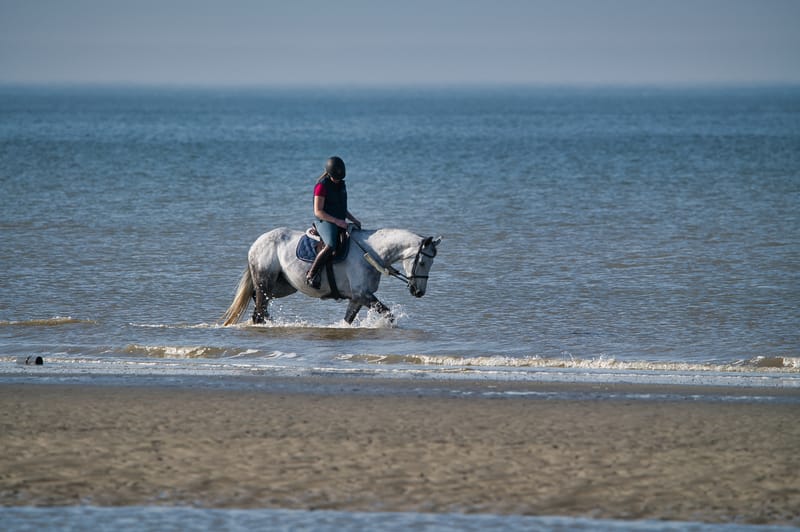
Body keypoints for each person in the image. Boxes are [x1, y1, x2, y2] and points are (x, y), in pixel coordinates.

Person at [306, 156, 361, 288]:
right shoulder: (321, 186)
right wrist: (337, 221)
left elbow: (342, 208)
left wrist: (354, 220)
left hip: (339, 220)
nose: (337, 180)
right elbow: (318, 211)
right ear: (329, 174)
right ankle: (311, 274)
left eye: (339, 178)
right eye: (335, 178)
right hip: (324, 221)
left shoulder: (341, 185)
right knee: (331, 244)